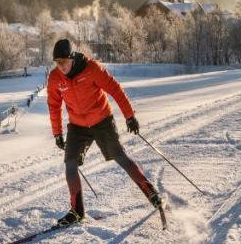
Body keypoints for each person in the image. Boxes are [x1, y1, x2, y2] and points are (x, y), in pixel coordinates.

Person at [47, 38, 162, 226]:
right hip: (77, 125)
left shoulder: (92, 68)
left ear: (72, 58)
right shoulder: (54, 78)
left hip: (101, 120)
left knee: (119, 156)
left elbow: (115, 89)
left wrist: (129, 116)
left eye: (64, 62)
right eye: (57, 63)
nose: (61, 67)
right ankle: (77, 211)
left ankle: (152, 193)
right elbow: (54, 105)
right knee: (70, 163)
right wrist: (57, 133)